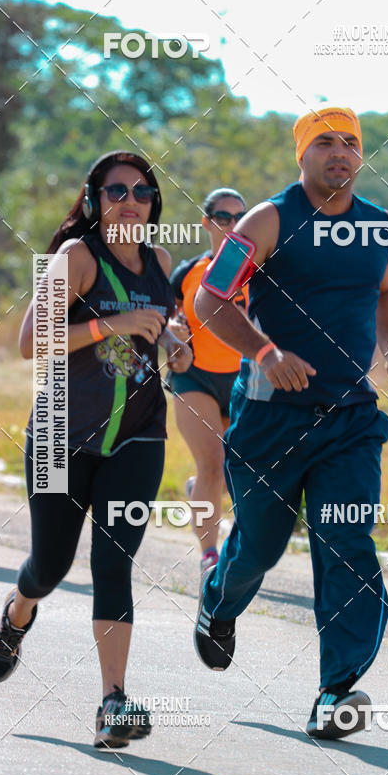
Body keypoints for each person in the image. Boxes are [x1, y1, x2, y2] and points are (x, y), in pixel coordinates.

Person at [193, 107, 388, 740]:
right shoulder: (269, 220)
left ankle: (335, 691)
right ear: (303, 155)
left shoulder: (379, 227)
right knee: (259, 547)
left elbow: (385, 293)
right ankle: (218, 601)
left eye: (350, 143)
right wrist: (265, 351)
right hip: (269, 417)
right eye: (325, 142)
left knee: (345, 543)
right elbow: (212, 296)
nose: (340, 153)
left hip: (349, 418)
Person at [0, 150, 192, 749]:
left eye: (142, 192)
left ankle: (112, 703)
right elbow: (30, 342)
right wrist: (112, 326)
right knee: (49, 566)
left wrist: (175, 344)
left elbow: (160, 333)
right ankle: (18, 612)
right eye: (116, 190)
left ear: (155, 204)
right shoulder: (77, 258)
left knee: (113, 563)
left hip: (139, 435)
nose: (130, 200)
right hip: (58, 436)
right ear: (94, 200)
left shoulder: (161, 261)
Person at [167, 188, 247, 575]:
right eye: (222, 217)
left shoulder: (259, 271)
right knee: (213, 464)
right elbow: (161, 318)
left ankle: (198, 487)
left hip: (243, 383)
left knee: (234, 470)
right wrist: (171, 328)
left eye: (238, 217)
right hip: (194, 377)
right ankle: (210, 556)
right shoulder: (188, 273)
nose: (231, 225)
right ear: (206, 222)